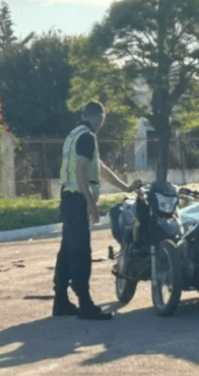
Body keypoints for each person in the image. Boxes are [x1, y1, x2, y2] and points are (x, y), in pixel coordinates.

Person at [52, 101, 142, 319]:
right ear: (97, 118)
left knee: (68, 250)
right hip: (77, 200)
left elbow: (99, 168)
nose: (101, 124)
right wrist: (91, 202)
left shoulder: (74, 134)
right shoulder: (87, 137)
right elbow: (81, 169)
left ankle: (61, 301)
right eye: (101, 120)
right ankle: (85, 304)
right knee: (81, 252)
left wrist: (126, 187)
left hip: (69, 197)